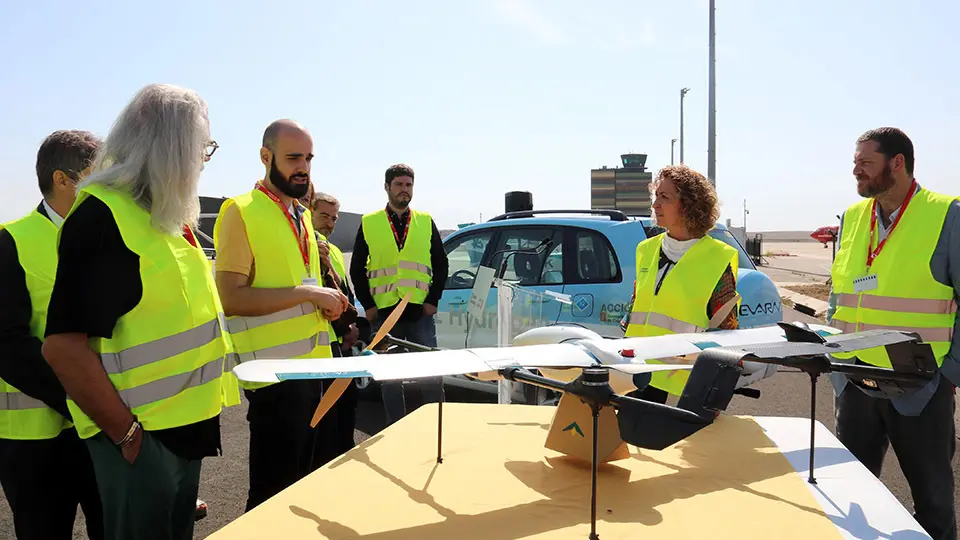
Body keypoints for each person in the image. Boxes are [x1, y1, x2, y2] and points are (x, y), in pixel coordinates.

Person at [40, 83, 236, 540]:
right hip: (142, 441)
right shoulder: (103, 219)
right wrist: (129, 439)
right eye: (200, 148)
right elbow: (64, 348)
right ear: (169, 148)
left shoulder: (164, 218)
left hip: (183, 435)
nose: (202, 162)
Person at [826, 127, 958, 540]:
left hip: (919, 389)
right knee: (853, 504)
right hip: (855, 384)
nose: (856, 171)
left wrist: (949, 375)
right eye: (855, 163)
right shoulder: (852, 217)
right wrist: (835, 364)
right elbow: (839, 295)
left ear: (896, 163)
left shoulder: (947, 215)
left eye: (865, 163)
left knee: (933, 507)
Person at [213, 119, 348, 511]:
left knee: (301, 494)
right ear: (265, 157)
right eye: (293, 158)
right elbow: (231, 297)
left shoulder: (301, 214)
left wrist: (324, 301)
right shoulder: (239, 211)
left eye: (308, 157)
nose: (303, 167)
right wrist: (308, 293)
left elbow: (292, 285)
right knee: (270, 498)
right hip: (274, 381)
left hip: (312, 375)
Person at [0, 130, 104, 540]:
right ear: (62, 180)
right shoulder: (12, 242)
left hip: (101, 428)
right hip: (35, 440)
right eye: (101, 177)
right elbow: (8, 345)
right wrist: (84, 399)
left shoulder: (108, 239)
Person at [622, 165, 740, 403]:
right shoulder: (645, 249)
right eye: (656, 196)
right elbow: (636, 309)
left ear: (689, 205)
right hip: (637, 373)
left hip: (687, 383)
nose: (655, 205)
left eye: (665, 197)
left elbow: (727, 331)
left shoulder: (717, 257)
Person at [350, 163, 449, 425]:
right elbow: (357, 267)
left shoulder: (425, 221)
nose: (404, 190)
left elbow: (441, 264)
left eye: (408, 185)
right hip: (384, 313)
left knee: (430, 373)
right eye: (399, 185)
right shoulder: (369, 223)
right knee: (389, 378)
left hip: (419, 312)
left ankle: (435, 426)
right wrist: (368, 305)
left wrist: (432, 300)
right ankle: (397, 427)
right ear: (387, 188)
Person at [300, 186, 366, 468]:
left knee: (345, 410)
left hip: (341, 344)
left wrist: (351, 327)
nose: (330, 222)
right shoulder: (305, 248)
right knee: (325, 421)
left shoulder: (335, 251)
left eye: (335, 218)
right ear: (309, 214)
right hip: (320, 346)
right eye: (324, 215)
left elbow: (344, 292)